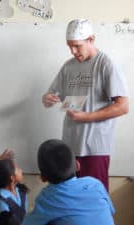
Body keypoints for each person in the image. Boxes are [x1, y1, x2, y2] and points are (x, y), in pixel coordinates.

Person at [42, 19, 129, 191]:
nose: (73, 51)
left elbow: (123, 106)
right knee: (70, 201)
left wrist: (87, 117)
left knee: (94, 201)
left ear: (91, 39)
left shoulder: (106, 64)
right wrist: (47, 98)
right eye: (69, 46)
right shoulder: (68, 66)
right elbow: (50, 95)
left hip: (94, 149)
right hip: (68, 150)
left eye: (77, 46)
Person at [23, 139, 115, 225]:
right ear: (78, 165)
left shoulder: (48, 197)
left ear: (42, 177)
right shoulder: (95, 184)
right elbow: (111, 211)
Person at [0, 159, 28, 224]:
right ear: (12, 178)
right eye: (18, 169)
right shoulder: (0, 202)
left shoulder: (22, 191)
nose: (21, 170)